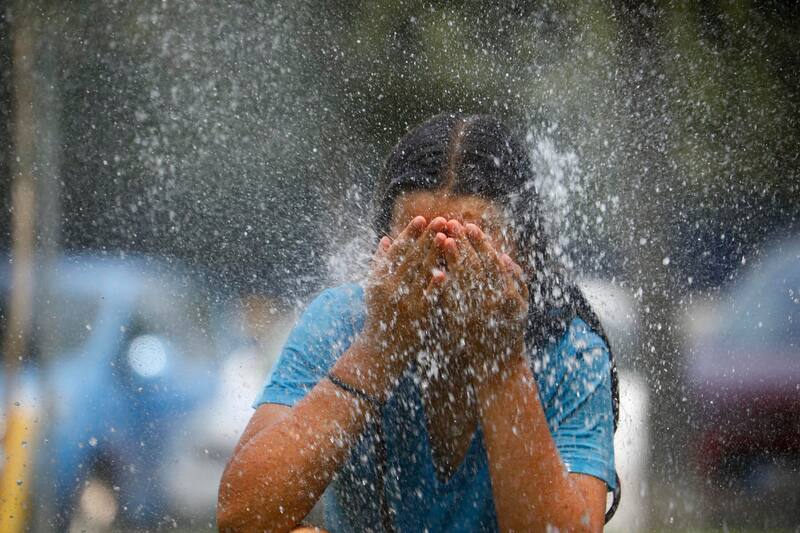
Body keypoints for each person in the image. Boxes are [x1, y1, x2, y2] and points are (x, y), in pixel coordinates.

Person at [217, 113, 617, 532]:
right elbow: (240, 518)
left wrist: (500, 362)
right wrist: (378, 348)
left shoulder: (570, 354)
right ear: (383, 252)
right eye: (420, 249)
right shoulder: (343, 324)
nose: (442, 279)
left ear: (525, 257)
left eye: (471, 252)